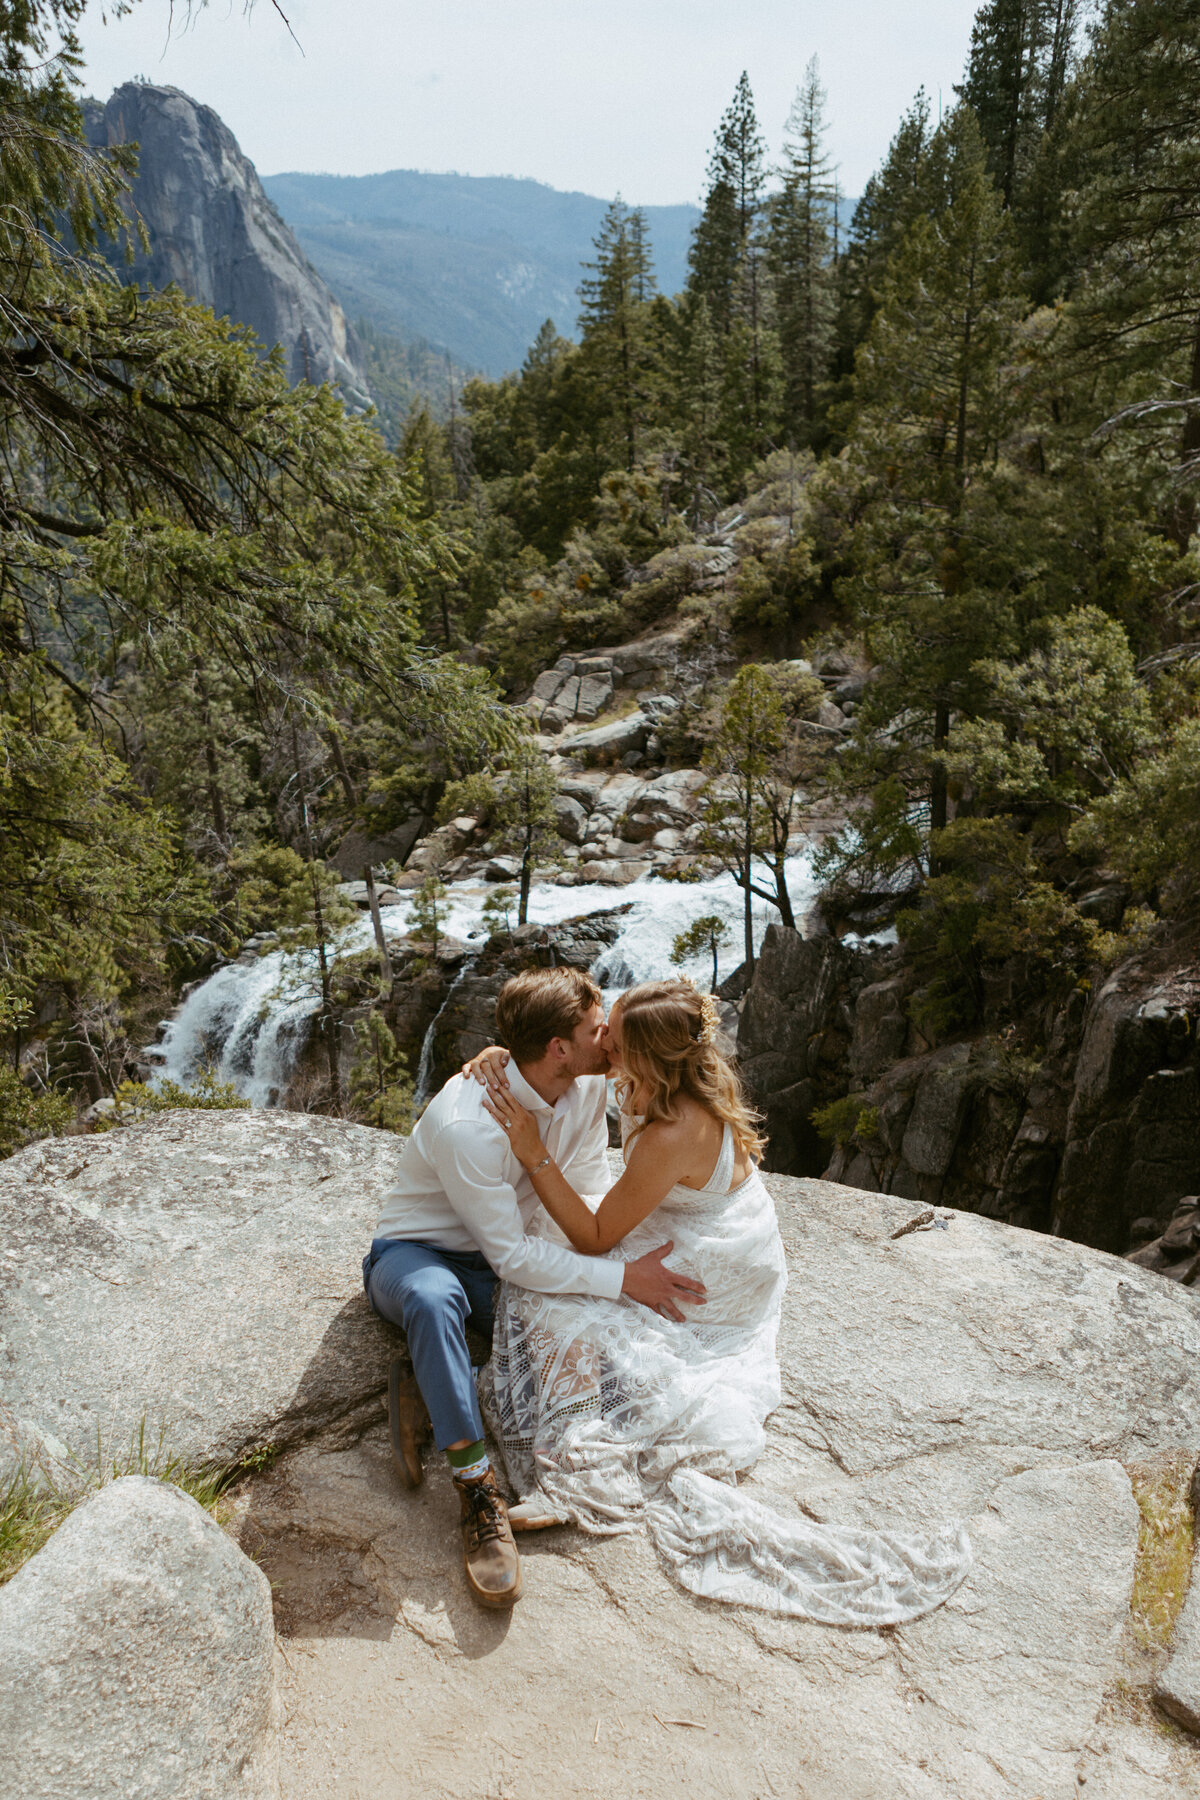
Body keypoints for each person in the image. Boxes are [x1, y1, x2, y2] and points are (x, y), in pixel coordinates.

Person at [464, 977, 972, 1626]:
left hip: (707, 1276)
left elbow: (593, 1235)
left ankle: (581, 1467)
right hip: (734, 1242)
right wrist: (501, 1054)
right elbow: (577, 1037)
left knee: (548, 1287)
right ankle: (579, 1441)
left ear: (644, 1060)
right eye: (602, 1034)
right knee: (561, 1274)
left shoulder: (673, 1130)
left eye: (613, 1043)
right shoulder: (670, 1069)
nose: (602, 1046)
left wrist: (533, 1153)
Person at [361, 966, 706, 1611]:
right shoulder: (471, 1125)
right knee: (436, 1303)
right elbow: (515, 1255)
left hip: (502, 1259)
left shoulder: (578, 1092)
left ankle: (429, 1378)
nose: (612, 1039)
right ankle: (476, 1491)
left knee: (601, 1343)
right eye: (597, 1029)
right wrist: (621, 1278)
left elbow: (576, 1198)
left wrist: (613, 1278)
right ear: (559, 1049)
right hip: (419, 1257)